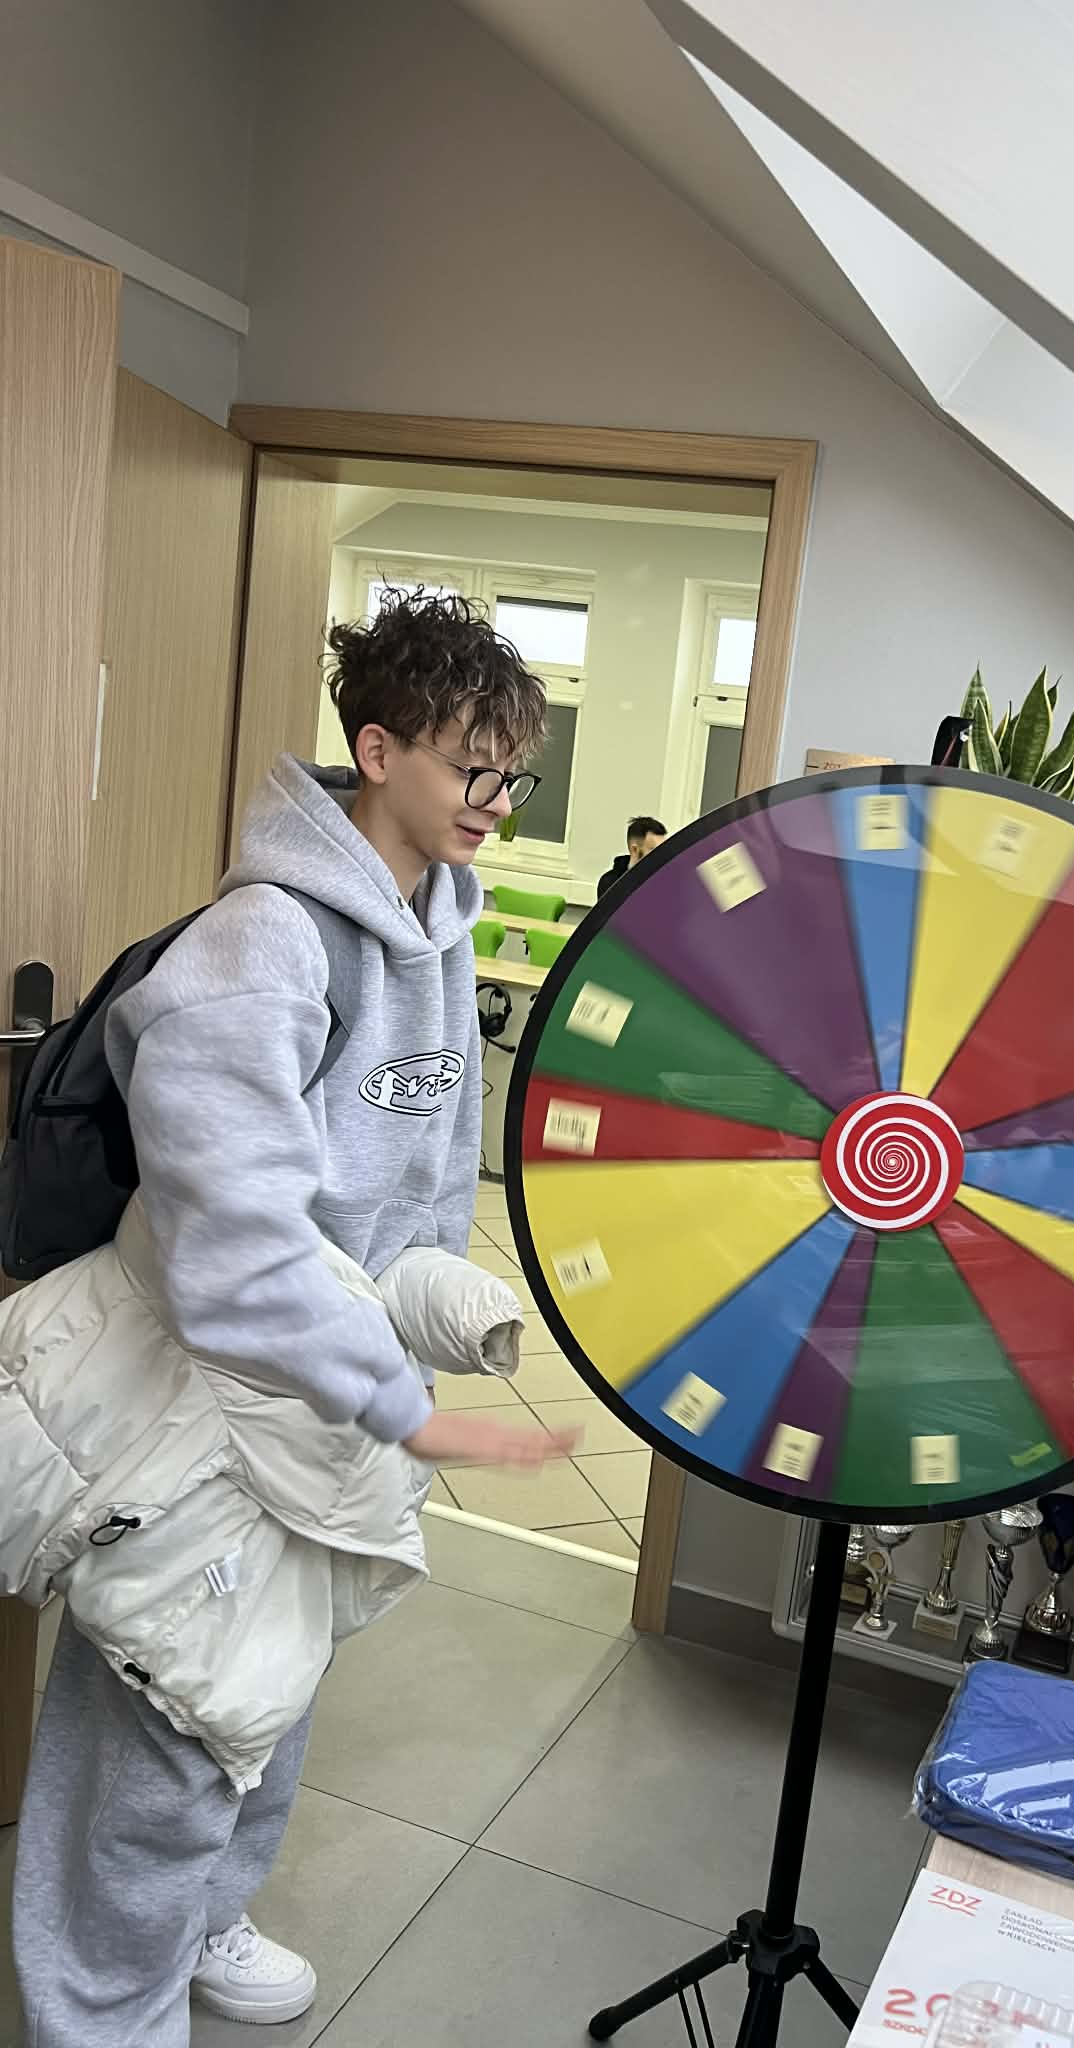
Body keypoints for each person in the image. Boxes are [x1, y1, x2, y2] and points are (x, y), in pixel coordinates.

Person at [7, 590, 578, 2044]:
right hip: (199, 1405)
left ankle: (206, 1919)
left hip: (322, 1418)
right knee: (161, 1726)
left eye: (514, 775)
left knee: (271, 1692)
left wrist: (453, 1313)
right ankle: (99, 2014)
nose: (496, 803)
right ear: (378, 750)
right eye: (473, 767)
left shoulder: (439, 930)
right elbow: (236, 1247)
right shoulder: (257, 947)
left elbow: (413, 1203)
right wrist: (400, 1404)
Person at [595, 813, 668, 898]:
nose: (661, 855)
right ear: (635, 850)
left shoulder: (667, 881)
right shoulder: (610, 884)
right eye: (655, 851)